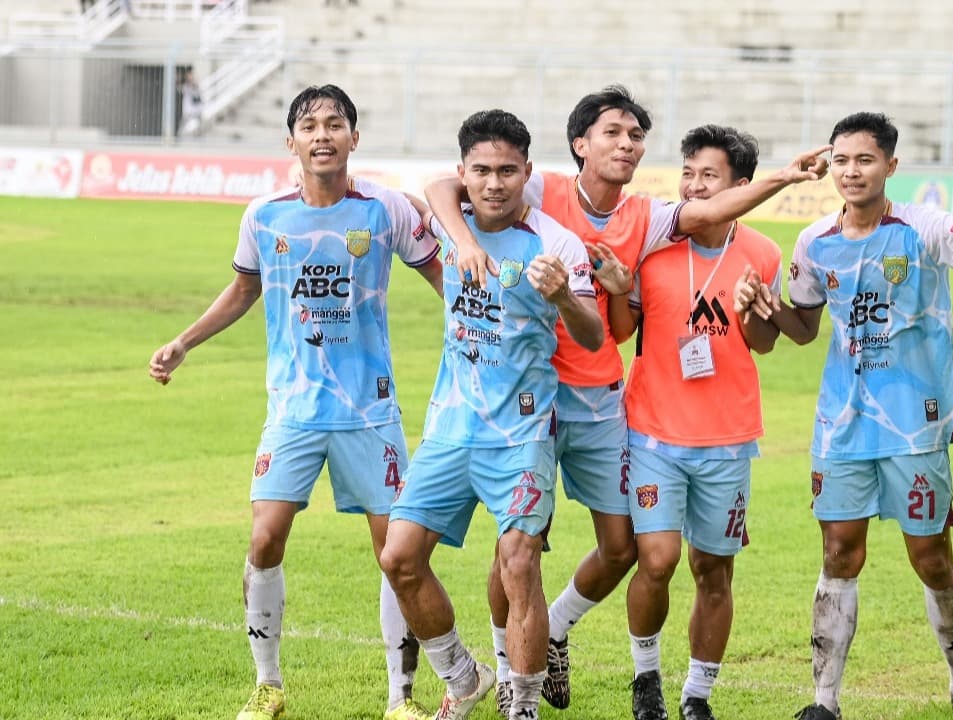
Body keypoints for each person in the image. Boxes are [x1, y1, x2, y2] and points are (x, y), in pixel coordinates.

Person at [424, 85, 829, 715]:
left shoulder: (647, 217)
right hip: (526, 396)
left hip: (596, 396)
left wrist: (781, 177)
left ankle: (553, 628)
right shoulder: (541, 188)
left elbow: (705, 220)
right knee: (519, 545)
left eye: (636, 135)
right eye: (612, 132)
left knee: (622, 548)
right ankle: (508, 670)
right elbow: (446, 188)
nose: (626, 143)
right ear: (580, 143)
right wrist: (466, 241)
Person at [147, 84, 444, 720]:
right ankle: (268, 685)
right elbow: (242, 289)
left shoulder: (385, 209)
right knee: (264, 539)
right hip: (294, 412)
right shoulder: (264, 216)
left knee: (396, 553)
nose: (322, 135)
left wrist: (486, 332)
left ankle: (401, 697)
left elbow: (443, 276)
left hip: (371, 411)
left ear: (354, 138)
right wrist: (183, 342)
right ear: (291, 142)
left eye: (335, 124)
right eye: (309, 125)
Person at [734, 112, 953, 720]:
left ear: (891, 166)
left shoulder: (925, 228)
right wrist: (762, 307)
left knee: (932, 558)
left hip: (915, 423)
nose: (851, 171)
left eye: (865, 160)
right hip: (842, 424)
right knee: (839, 553)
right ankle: (824, 702)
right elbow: (801, 329)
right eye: (841, 160)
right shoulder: (814, 241)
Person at [378, 108, 603, 720]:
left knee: (520, 563)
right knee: (398, 556)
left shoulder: (556, 243)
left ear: (527, 171)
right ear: (465, 172)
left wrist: (561, 296)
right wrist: (467, 239)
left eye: (508, 170)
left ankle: (522, 707)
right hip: (452, 426)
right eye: (482, 170)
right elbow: (432, 190)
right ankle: (462, 673)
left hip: (521, 434)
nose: (495, 182)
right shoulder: (454, 222)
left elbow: (591, 335)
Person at [596, 124, 781, 720]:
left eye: (710, 176)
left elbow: (762, 343)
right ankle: (645, 677)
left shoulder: (763, 254)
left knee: (713, 570)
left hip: (727, 439)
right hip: (651, 431)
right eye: (689, 173)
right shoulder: (655, 248)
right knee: (657, 559)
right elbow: (626, 333)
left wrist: (756, 312)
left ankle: (697, 695)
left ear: (741, 187)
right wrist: (623, 292)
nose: (695, 186)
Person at [179, 69, 203, 138]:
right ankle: (179, 135)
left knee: (199, 121)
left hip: (196, 107)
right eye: (188, 76)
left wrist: (194, 81)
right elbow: (182, 89)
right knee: (184, 121)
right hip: (188, 107)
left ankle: (198, 134)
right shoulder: (185, 85)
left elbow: (197, 90)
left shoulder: (195, 84)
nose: (190, 77)